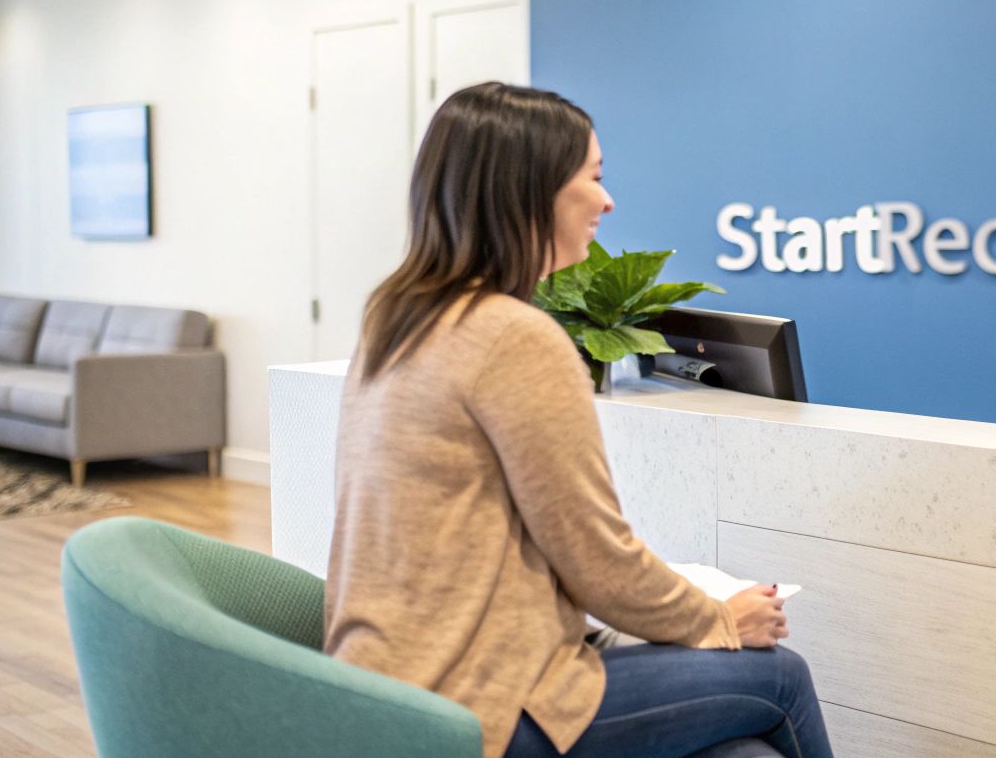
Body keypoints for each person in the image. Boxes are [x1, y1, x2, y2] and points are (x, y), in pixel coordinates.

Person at [325, 82, 834, 758]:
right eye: (592, 178)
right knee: (781, 677)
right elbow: (596, 561)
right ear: (530, 192)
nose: (607, 200)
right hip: (477, 704)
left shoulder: (396, 322)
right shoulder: (513, 337)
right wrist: (719, 617)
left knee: (739, 756)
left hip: (382, 695)